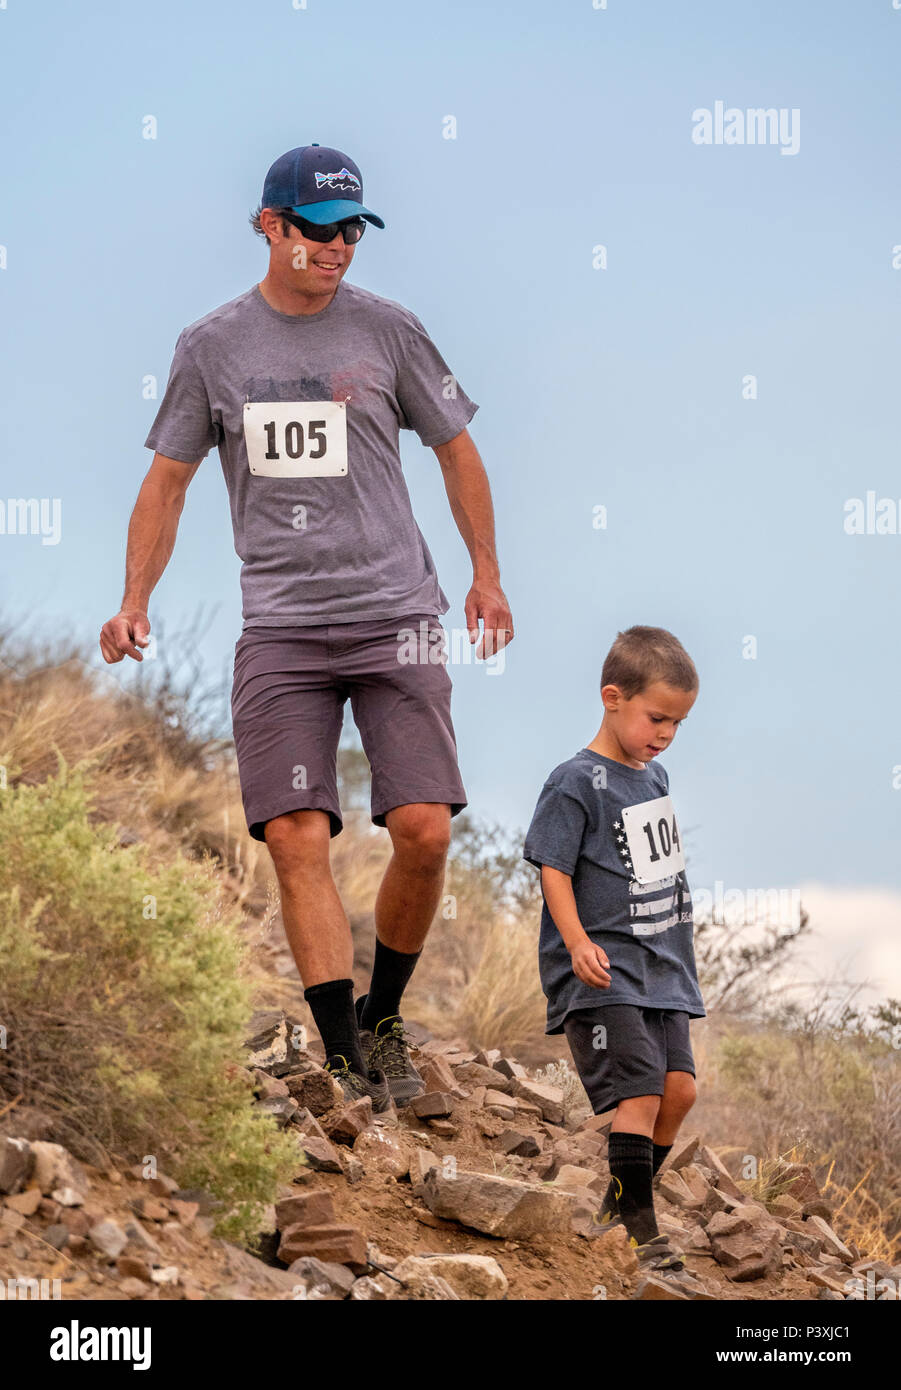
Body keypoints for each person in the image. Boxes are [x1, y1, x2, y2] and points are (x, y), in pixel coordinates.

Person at [100, 143, 514, 1112]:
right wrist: (134, 600)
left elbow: (459, 452)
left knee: (419, 829)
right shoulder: (211, 347)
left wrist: (485, 574)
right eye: (319, 232)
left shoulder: (392, 332)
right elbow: (166, 481)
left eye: (353, 232)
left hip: (396, 615)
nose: (338, 250)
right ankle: (341, 1056)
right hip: (283, 629)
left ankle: (385, 1017)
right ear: (270, 228)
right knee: (294, 833)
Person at [522, 626, 706, 1291]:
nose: (665, 733)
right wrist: (575, 943)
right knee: (640, 1091)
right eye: (656, 717)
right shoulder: (574, 781)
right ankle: (643, 1233)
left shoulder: (653, 775)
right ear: (611, 698)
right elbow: (551, 867)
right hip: (604, 969)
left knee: (679, 1092)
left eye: (677, 722)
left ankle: (620, 1203)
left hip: (663, 968)